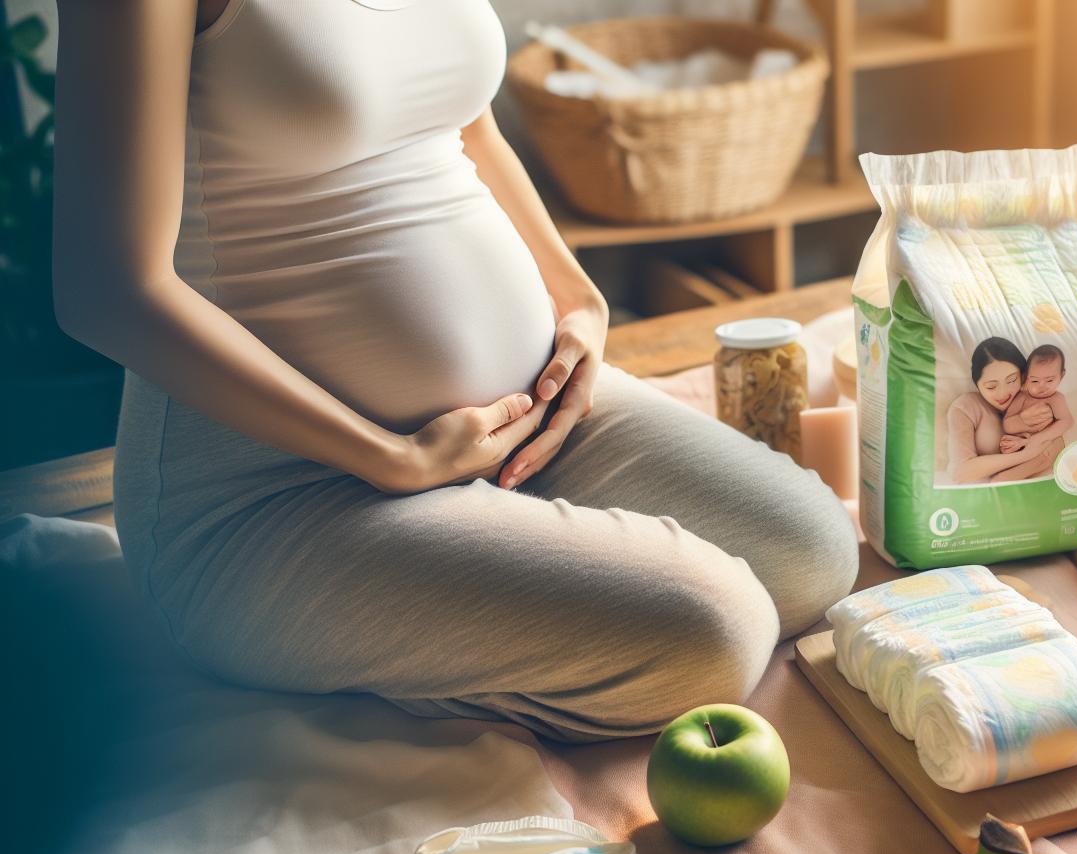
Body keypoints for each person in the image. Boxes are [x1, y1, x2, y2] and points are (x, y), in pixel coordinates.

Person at [48, 0, 859, 742]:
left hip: (523, 426)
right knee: (717, 631)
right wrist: (390, 457)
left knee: (813, 553)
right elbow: (106, 291)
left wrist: (578, 298)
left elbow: (465, 128)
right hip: (282, 493)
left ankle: (482, 554)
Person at [943, 338, 1064, 484]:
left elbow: (1056, 445)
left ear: (1023, 376)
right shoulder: (965, 408)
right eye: (991, 386)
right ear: (977, 384)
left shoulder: (1036, 401)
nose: (1003, 394)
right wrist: (1027, 454)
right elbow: (960, 473)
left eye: (1012, 380)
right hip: (985, 495)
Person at [998, 344, 1074, 455]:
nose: (1042, 387)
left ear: (1061, 376)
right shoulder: (1022, 397)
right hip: (1018, 445)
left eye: (1049, 381)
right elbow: (1007, 424)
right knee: (1005, 446)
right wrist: (1021, 420)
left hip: (1043, 446)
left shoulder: (1056, 399)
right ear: (1026, 377)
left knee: (1048, 449)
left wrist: (1038, 439)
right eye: (1034, 381)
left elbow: (1066, 421)